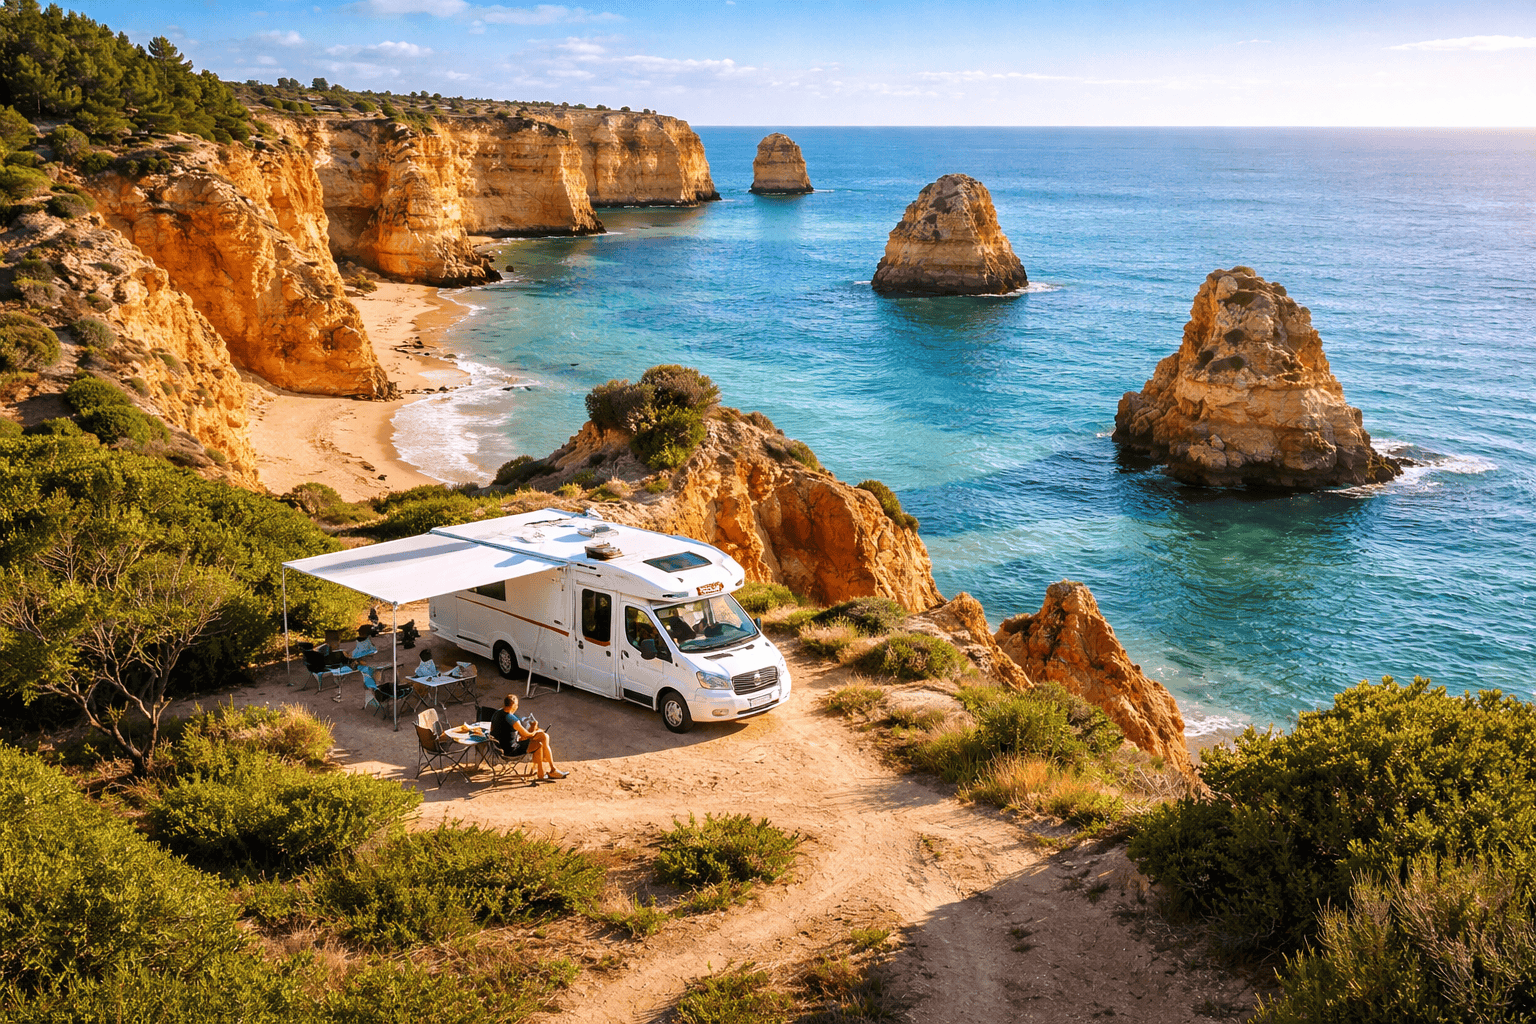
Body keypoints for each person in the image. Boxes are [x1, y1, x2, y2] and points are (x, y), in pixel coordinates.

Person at [492, 694, 567, 782]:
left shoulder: (497, 713)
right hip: (510, 750)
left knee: (544, 737)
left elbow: (496, 730)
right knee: (540, 743)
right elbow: (527, 735)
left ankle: (544, 770)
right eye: (517, 705)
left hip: (498, 747)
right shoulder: (512, 719)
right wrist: (536, 731)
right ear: (513, 705)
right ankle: (546, 772)